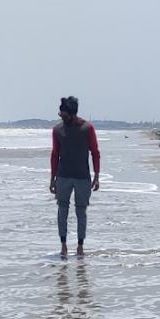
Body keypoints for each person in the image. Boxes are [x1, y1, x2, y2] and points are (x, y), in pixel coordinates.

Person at [49, 96, 101, 259]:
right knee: (62, 210)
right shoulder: (57, 130)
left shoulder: (87, 128)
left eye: (63, 114)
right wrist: (52, 178)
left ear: (72, 113)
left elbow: (95, 152)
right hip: (63, 176)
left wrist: (97, 176)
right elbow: (55, 154)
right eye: (60, 114)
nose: (61, 117)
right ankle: (63, 245)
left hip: (82, 177)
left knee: (81, 212)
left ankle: (80, 246)